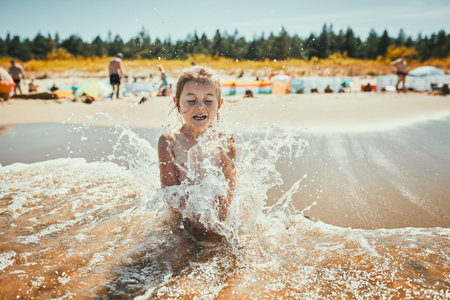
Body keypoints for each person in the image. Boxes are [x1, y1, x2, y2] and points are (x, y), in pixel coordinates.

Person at [158, 66, 236, 237]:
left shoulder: (225, 140)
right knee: (173, 256)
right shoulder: (169, 141)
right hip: (182, 221)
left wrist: (219, 222)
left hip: (217, 219)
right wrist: (200, 222)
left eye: (208, 101)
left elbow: (229, 190)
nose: (200, 107)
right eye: (191, 101)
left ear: (219, 104)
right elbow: (170, 194)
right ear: (177, 104)